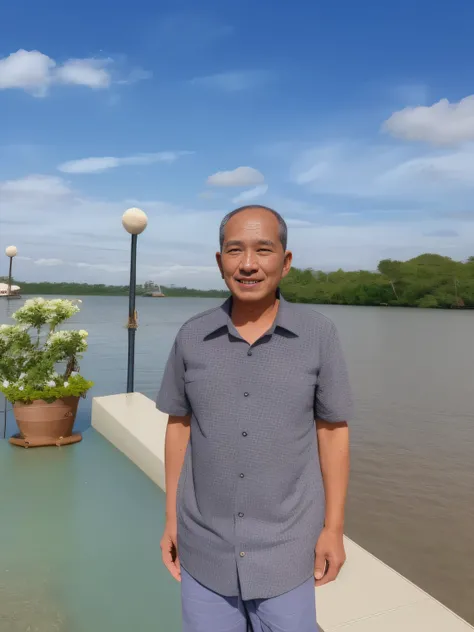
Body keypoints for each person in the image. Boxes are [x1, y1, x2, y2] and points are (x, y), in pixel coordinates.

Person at [157, 205, 353, 632]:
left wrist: (333, 529)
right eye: (234, 251)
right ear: (219, 261)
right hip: (204, 547)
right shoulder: (192, 336)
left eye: (263, 250)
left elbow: (333, 433)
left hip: (287, 548)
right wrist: (172, 519)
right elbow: (179, 428)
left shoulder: (318, 335)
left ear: (284, 261)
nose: (248, 264)